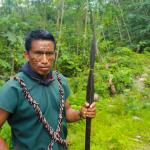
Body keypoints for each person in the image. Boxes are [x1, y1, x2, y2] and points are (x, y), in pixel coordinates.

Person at [0, 29, 96, 150]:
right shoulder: (13, 88)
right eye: (38, 53)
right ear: (27, 55)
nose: (45, 60)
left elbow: (66, 113)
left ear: (54, 55)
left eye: (49, 53)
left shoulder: (60, 81)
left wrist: (81, 113)